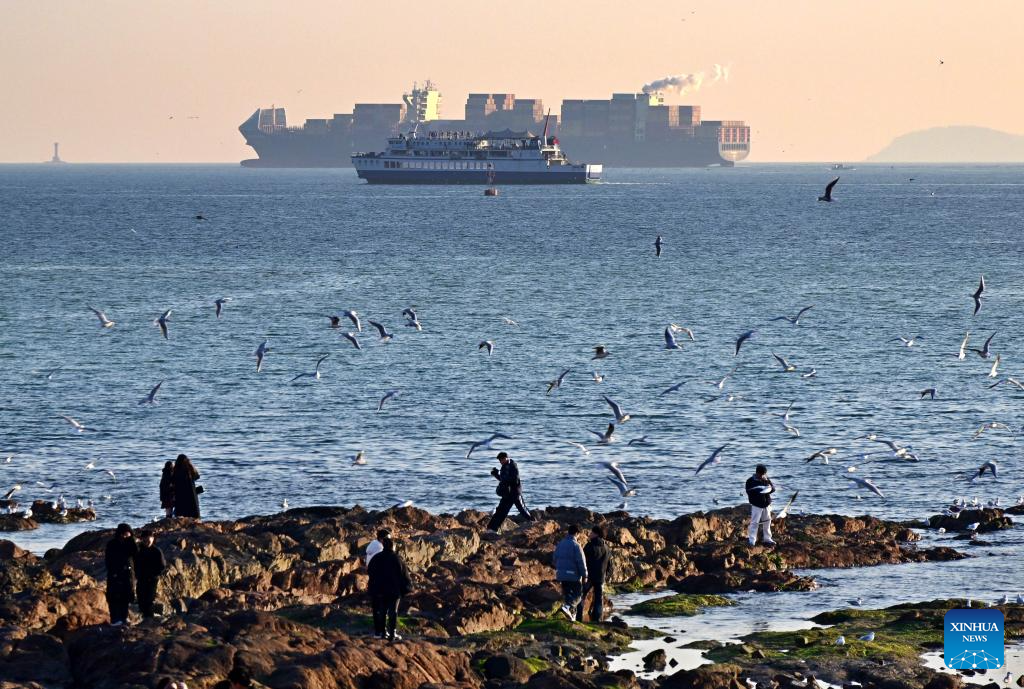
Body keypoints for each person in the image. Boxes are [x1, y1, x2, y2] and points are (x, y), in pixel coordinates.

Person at [366, 535, 411, 641]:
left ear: (383, 546)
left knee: (381, 611)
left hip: (379, 590)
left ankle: (381, 632)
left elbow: (370, 571)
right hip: (394, 590)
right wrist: (406, 588)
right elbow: (404, 574)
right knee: (393, 611)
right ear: (393, 547)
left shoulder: (376, 558)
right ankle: (392, 633)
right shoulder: (397, 558)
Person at [486, 452, 533, 532]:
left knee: (522, 509)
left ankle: (533, 522)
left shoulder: (513, 465)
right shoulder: (504, 466)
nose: (500, 462)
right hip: (507, 494)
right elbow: (503, 479)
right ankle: (492, 529)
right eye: (499, 460)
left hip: (514, 493)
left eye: (501, 460)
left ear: (506, 458)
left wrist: (498, 475)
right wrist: (496, 474)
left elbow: (514, 480)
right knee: (501, 511)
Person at [105, 523, 138, 625]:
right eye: (124, 534)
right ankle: (115, 619)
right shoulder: (112, 544)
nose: (125, 536)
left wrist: (131, 541)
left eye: (128, 534)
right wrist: (113, 572)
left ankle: (123, 618)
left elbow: (136, 553)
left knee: (126, 597)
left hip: (128, 574)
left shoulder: (131, 544)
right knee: (114, 597)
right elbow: (108, 560)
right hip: (115, 574)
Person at [553, 524, 587, 621]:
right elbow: (581, 562)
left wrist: (560, 569)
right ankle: (568, 607)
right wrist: (585, 575)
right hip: (573, 575)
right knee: (578, 595)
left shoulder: (560, 544)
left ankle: (572, 616)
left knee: (568, 595)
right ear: (577, 533)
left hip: (561, 574)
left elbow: (554, 558)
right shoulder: (576, 546)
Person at [577, 525, 611, 622]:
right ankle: (598, 619)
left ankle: (579, 617)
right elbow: (610, 565)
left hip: (589, 576)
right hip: (601, 577)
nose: (590, 534)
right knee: (598, 599)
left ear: (596, 534)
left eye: (591, 532)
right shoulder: (607, 548)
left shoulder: (589, 546)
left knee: (582, 595)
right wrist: (606, 575)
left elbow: (583, 561)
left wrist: (583, 574)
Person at [134, 531, 166, 618]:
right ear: (142, 540)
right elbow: (134, 563)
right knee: (140, 598)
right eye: (145, 540)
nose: (147, 542)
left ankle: (149, 619)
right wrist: (137, 574)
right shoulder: (139, 550)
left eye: (149, 540)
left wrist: (154, 574)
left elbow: (162, 566)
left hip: (152, 579)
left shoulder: (156, 551)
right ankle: (144, 617)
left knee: (149, 599)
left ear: (153, 539)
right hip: (141, 578)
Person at [745, 464, 777, 546]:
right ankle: (752, 540)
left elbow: (773, 489)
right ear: (757, 473)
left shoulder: (766, 479)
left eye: (764, 474)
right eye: (762, 474)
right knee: (754, 522)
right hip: (756, 505)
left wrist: (768, 488)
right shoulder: (750, 481)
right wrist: (761, 490)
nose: (763, 475)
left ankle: (767, 539)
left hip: (767, 504)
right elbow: (749, 492)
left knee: (767, 521)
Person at [172, 454, 201, 519]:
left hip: (180, 495)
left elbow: (173, 481)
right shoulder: (190, 470)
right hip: (191, 495)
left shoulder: (176, 470)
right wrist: (191, 465)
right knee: (193, 512)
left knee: (182, 513)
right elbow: (197, 476)